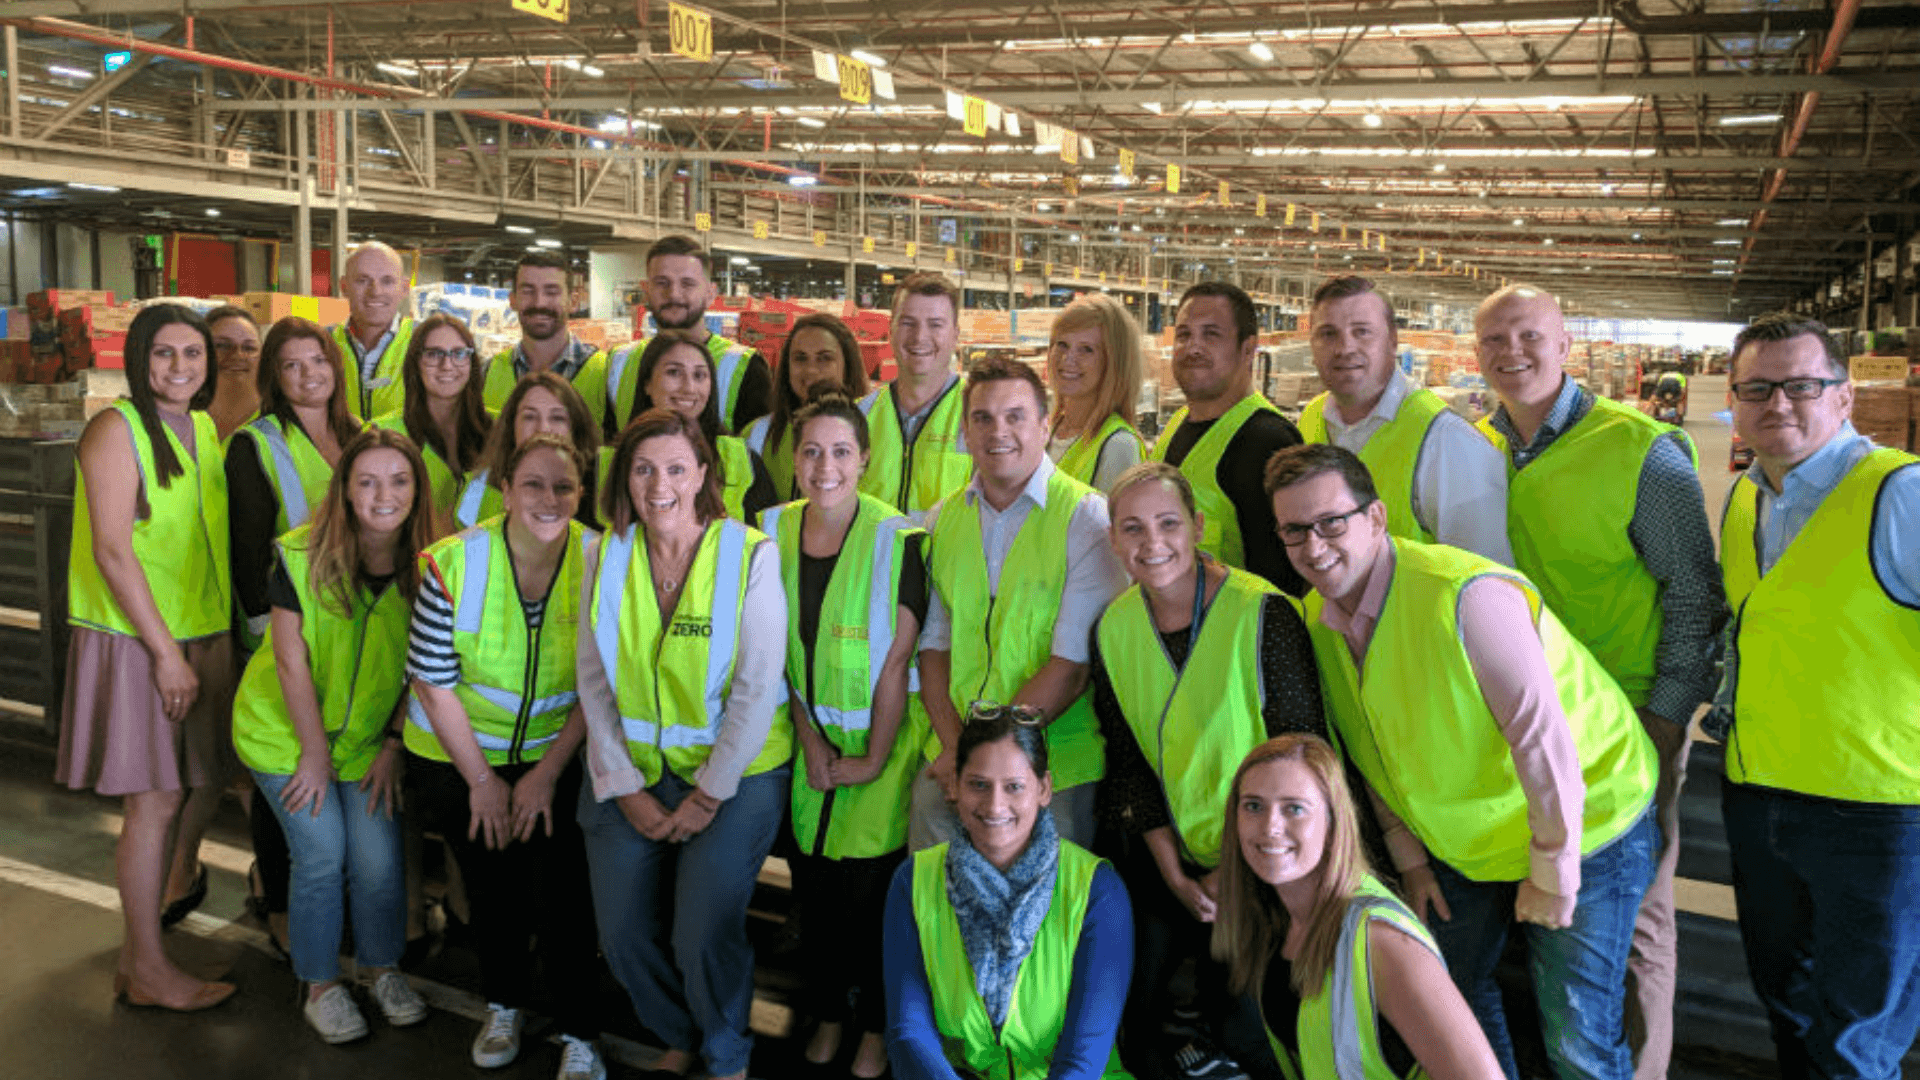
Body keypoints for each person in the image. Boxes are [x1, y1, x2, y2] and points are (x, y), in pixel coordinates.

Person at [1265, 443, 1659, 1080]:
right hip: (1471, 845)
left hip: (1588, 824)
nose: (1314, 546)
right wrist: (1411, 860)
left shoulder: (1466, 595)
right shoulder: (1317, 620)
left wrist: (1554, 870)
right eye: (1294, 530)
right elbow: (1369, 747)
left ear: (1375, 517)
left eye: (1331, 522)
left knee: (1578, 1037)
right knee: (1450, 1000)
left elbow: (1543, 741)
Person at [1473, 283, 1724, 1080]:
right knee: (1552, 906)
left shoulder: (1641, 450)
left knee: (1635, 920)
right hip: (1518, 726)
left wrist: (1665, 719)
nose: (1512, 354)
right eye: (1494, 341)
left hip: (1626, 724)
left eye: (1529, 336)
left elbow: (1695, 595)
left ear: (1565, 345)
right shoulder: (1474, 448)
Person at [1712, 313, 1920, 1080]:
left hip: (1878, 812)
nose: (1779, 404)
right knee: (1789, 1008)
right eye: (1757, 389)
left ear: (1844, 396)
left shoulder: (1900, 495)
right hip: (1760, 794)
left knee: (1855, 1040)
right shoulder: (1744, 499)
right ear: (1733, 401)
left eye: (1802, 385)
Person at [1090, 461, 1327, 1080]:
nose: (1152, 543)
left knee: (1257, 1027)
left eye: (1168, 523)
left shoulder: (1261, 613)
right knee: (1138, 1016)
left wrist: (1234, 873)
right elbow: (1130, 764)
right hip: (1177, 857)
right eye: (1132, 528)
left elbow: (1307, 757)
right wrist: (1174, 874)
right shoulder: (1113, 628)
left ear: (1197, 527)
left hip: (1277, 857)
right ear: (1112, 539)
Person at [577, 408, 791, 1080]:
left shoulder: (750, 554)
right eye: (642, 469)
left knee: (701, 932)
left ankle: (726, 1052)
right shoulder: (602, 554)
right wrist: (625, 788)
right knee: (620, 933)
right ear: (624, 478)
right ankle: (677, 1031)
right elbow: (593, 679)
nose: (658, 484)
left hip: (737, 776)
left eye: (675, 468)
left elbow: (757, 687)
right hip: (632, 773)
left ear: (703, 474)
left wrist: (707, 795)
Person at [405, 433, 606, 1080]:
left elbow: (600, 683)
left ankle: (580, 1032)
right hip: (461, 755)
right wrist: (483, 782)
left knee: (564, 894)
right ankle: (503, 1006)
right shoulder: (453, 562)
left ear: (581, 493)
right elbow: (432, 684)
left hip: (556, 754)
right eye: (533, 484)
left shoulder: (602, 559)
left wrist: (545, 774)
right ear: (506, 490)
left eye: (564, 486)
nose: (549, 498)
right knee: (492, 888)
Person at [57, 303, 235, 1011]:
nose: (180, 367)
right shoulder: (115, 428)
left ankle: (139, 963)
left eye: (193, 353)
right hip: (137, 637)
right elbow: (111, 549)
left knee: (174, 794)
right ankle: (153, 970)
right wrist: (165, 654)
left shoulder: (203, 428)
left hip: (193, 629)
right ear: (139, 358)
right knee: (154, 802)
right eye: (164, 352)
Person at [230, 428, 434, 1043]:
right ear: (344, 490)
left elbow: (427, 667)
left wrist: (394, 745)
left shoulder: (433, 567)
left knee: (377, 860)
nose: (383, 495)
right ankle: (319, 985)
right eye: (366, 481)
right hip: (284, 735)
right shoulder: (302, 555)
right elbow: (289, 660)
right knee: (322, 854)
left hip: (367, 741)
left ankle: (381, 968)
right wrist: (314, 757)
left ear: (417, 491)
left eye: (398, 481)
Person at [758, 389, 929, 1079]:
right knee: (817, 900)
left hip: (882, 751)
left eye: (839, 452)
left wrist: (873, 758)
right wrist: (810, 739)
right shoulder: (769, 532)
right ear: (795, 460)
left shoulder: (898, 539)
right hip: (811, 750)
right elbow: (774, 653)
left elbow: (896, 661)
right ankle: (828, 1012)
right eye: (811, 452)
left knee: (873, 908)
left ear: (864, 459)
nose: (824, 467)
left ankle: (876, 1027)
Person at [913, 357, 1128, 851]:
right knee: (932, 889)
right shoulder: (944, 519)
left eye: (1015, 416)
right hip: (954, 756)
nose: (998, 432)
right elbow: (934, 648)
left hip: (1053, 766)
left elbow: (1070, 668)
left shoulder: (1086, 519)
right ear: (965, 430)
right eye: (982, 418)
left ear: (1045, 426)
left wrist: (984, 764)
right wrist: (957, 750)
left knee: (1045, 900)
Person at [1213, 735, 1504, 1080]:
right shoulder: (1276, 917)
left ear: (1333, 822)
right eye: (1253, 806)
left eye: (1294, 808)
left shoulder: (1381, 940)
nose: (1270, 827)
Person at [882, 707, 1133, 1080]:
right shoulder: (913, 881)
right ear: (954, 786)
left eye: (1014, 786)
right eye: (978, 784)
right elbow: (908, 1033)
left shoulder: (1099, 891)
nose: (995, 805)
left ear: (1044, 789)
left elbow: (1084, 1058)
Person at [1298, 276, 1512, 564]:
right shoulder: (1311, 419)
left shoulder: (1448, 441)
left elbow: (1486, 577)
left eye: (1362, 332)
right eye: (1328, 334)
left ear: (1392, 341)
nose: (1345, 348)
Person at [1149, 282, 1305, 596]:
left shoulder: (1267, 441)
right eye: (1184, 334)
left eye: (1211, 335)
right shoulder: (1177, 425)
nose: (1193, 347)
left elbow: (1284, 586)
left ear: (1248, 350)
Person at [228, 318, 365, 647]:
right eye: (292, 365)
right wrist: (264, 628)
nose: (310, 374)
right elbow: (247, 553)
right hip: (288, 618)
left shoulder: (361, 434)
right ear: (274, 376)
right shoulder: (254, 444)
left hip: (353, 613)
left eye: (319, 360)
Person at [606, 234, 773, 436]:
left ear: (710, 294)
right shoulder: (619, 361)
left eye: (687, 284)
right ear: (646, 290)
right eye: (662, 283)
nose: (674, 294)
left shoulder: (745, 366)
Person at [623, 333, 778, 522]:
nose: (689, 388)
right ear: (647, 383)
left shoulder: (743, 461)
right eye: (674, 372)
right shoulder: (610, 462)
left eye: (699, 375)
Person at [858, 272, 975, 522]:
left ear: (955, 335)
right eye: (908, 323)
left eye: (935, 324)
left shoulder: (978, 417)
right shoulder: (860, 417)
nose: (920, 337)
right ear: (891, 330)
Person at [372, 313, 493, 536]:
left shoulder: (501, 429)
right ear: (415, 362)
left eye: (459, 353)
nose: (447, 365)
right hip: (414, 557)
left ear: (472, 362)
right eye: (434, 354)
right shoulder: (382, 434)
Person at [742, 312, 871, 499]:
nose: (811, 369)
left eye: (825, 358)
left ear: (848, 365)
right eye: (800, 358)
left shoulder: (873, 431)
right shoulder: (756, 435)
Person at [455, 371, 600, 531]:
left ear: (576, 430)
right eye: (530, 417)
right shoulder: (478, 491)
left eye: (557, 418)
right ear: (511, 427)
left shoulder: (601, 494)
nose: (542, 429)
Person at [482, 250, 609, 423]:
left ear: (573, 302)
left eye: (551, 292)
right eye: (528, 291)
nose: (539, 303)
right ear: (513, 300)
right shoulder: (487, 372)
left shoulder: (605, 374)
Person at [1046, 293, 1146, 492]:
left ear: (1113, 362)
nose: (1067, 359)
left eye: (1086, 349)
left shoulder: (1118, 446)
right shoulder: (1049, 430)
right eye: (1062, 345)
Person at [332, 241, 415, 419]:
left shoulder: (425, 343)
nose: (375, 291)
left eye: (387, 281)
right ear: (344, 287)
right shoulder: (323, 344)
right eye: (362, 281)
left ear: (404, 288)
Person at [206, 304, 262, 439]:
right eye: (222, 345)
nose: (237, 355)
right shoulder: (179, 417)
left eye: (249, 348)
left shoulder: (280, 422)